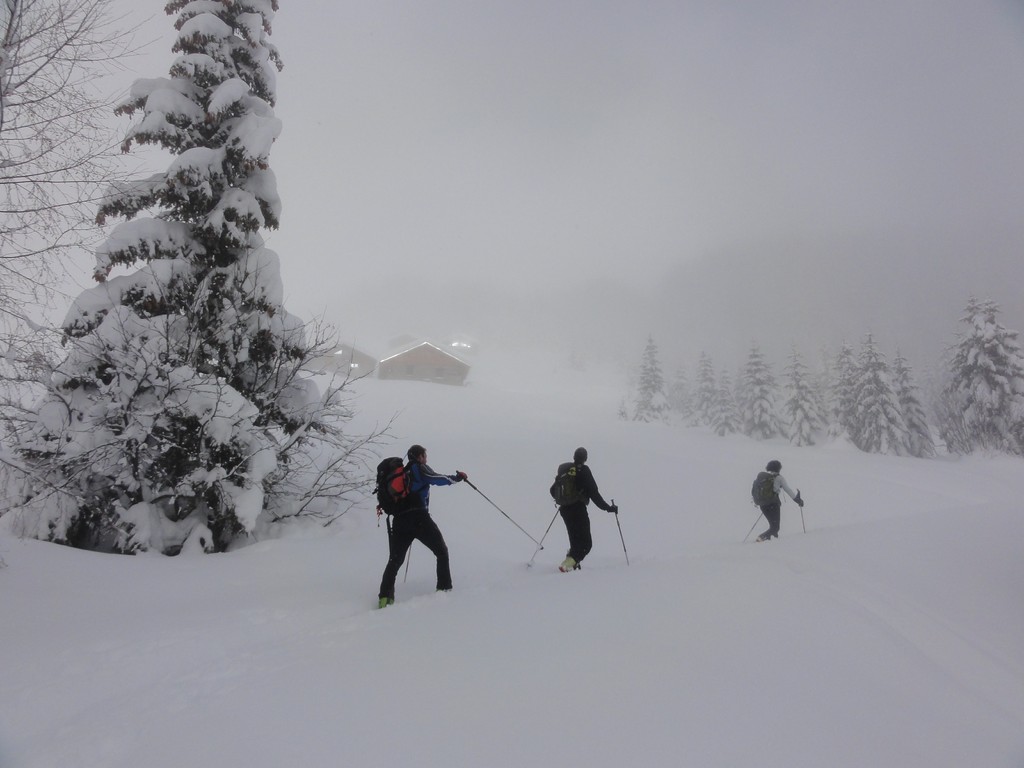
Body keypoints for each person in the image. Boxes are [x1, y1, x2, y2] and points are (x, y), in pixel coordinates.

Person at [378, 445, 467, 608]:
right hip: (418, 517)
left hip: (399, 520)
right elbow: (434, 478)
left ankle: (384, 599)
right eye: (424, 456)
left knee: (395, 560)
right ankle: (444, 590)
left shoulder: (402, 473)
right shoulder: (418, 468)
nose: (426, 459)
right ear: (419, 456)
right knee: (441, 551)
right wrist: (456, 478)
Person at [553, 447, 617, 572]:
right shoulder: (584, 471)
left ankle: (569, 564)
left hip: (565, 510)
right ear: (585, 458)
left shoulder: (566, 470)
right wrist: (608, 508)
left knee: (575, 542)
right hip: (578, 509)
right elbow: (594, 493)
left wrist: (565, 498)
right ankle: (567, 565)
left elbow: (552, 490)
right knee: (586, 544)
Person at [755, 459, 803, 541]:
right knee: (775, 528)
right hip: (773, 505)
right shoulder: (779, 478)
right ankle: (761, 538)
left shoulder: (762, 478)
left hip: (763, 505)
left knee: (773, 527)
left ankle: (772, 544)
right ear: (779, 468)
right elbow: (788, 490)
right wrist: (797, 500)